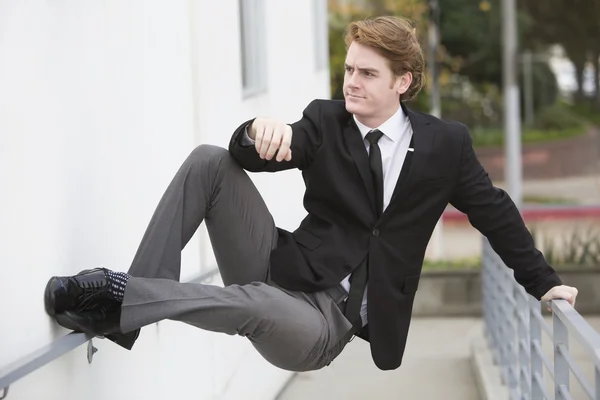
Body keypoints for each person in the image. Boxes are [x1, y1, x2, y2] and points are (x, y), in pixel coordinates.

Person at [44, 15, 578, 372]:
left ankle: (118, 298)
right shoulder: (326, 121)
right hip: (280, 263)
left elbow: (494, 212)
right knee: (211, 158)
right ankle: (132, 301)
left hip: (323, 324)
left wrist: (546, 283)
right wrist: (256, 132)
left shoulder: (445, 146)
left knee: (253, 304)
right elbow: (264, 150)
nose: (351, 83)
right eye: (348, 69)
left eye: (367, 74)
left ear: (403, 82)